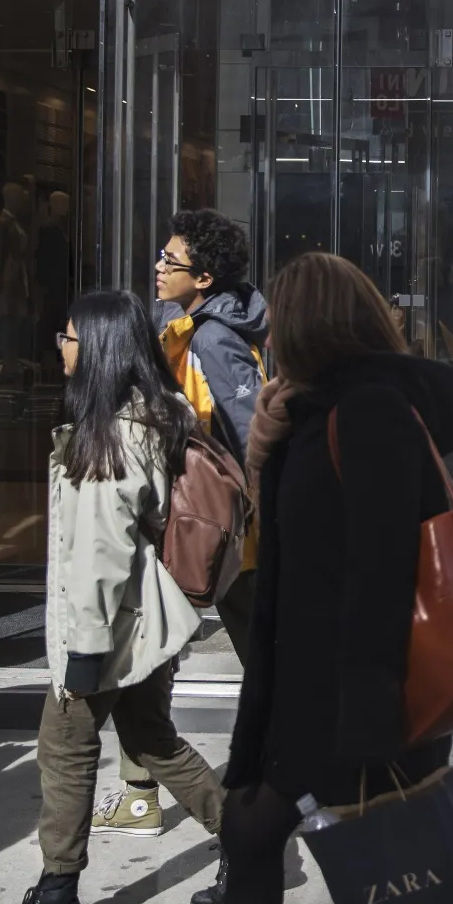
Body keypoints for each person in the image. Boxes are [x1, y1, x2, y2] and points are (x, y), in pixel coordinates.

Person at [218, 251, 453, 904]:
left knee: (327, 851)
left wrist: (370, 714)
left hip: (355, 693)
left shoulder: (370, 410)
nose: (269, 335)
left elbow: (381, 568)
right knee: (258, 835)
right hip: (313, 684)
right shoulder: (311, 411)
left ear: (314, 325)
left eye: (279, 319)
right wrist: (263, 456)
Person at [0, 290, 227, 904]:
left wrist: (81, 652)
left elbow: (100, 554)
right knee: (150, 738)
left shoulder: (111, 435)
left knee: (64, 747)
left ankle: (58, 892)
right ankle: (249, 843)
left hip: (110, 626)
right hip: (148, 622)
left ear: (101, 350)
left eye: (69, 337)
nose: (59, 347)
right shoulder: (156, 415)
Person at [94, 211, 267, 848]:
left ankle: (285, 783)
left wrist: (247, 514)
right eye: (162, 258)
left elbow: (253, 439)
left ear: (205, 275)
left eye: (171, 261)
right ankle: (140, 791)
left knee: (182, 653)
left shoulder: (214, 339)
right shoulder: (180, 323)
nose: (159, 268)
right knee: (152, 654)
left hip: (216, 530)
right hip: (190, 525)